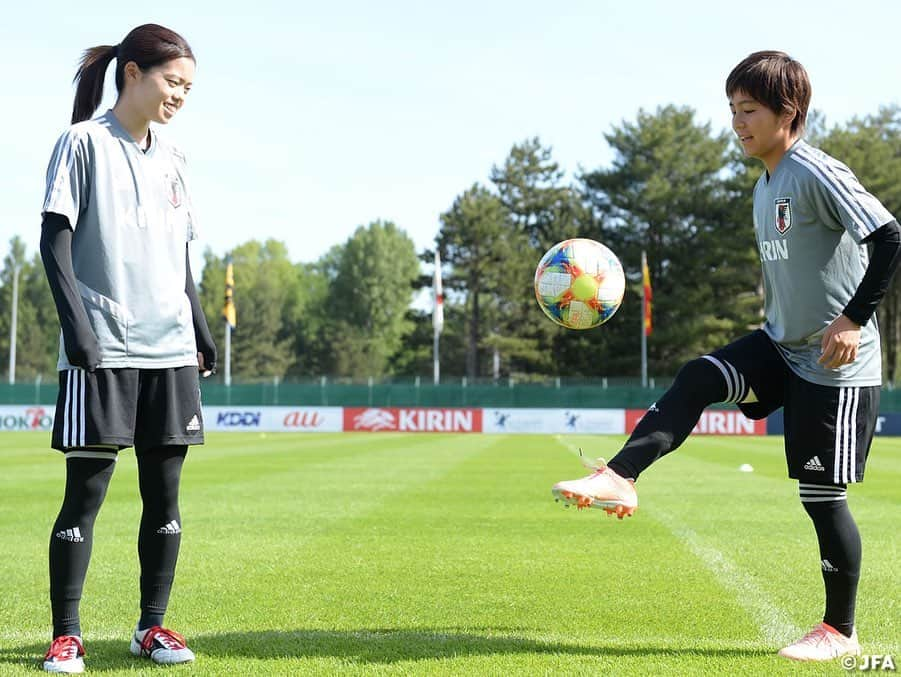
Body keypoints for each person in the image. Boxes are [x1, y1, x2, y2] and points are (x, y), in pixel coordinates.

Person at [551, 51, 900, 662]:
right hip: (781, 345)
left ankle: (840, 632)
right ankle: (620, 477)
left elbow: (889, 234)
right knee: (699, 375)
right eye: (732, 110)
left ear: (788, 113)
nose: (737, 123)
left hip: (834, 362)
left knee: (821, 498)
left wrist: (853, 318)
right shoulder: (765, 185)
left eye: (750, 111)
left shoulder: (814, 170)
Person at [39, 24, 217, 674]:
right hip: (103, 348)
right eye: (173, 82)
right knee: (85, 493)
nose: (180, 96)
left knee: (164, 498)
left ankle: (151, 626)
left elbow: (182, 256)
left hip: (168, 351)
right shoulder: (81, 143)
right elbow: (53, 243)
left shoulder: (177, 160)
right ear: (133, 73)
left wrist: (198, 327)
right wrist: (77, 329)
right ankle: (66, 634)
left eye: (188, 88)